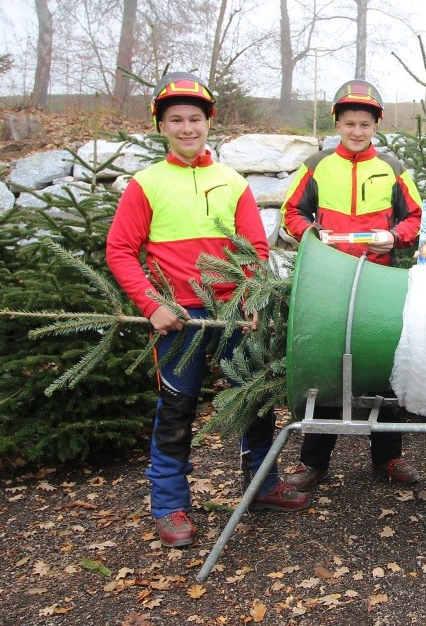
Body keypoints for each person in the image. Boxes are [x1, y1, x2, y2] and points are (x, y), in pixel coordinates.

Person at [106, 71, 310, 548]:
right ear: (161, 126)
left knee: (253, 400)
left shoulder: (231, 182)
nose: (186, 128)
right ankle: (169, 505)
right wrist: (152, 305)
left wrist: (251, 299)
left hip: (233, 314)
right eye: (176, 120)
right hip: (178, 319)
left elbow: (254, 249)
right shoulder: (146, 184)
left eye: (194, 118)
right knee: (177, 409)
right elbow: (120, 251)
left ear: (208, 122)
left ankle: (262, 485)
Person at [280, 79, 424, 491]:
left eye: (364, 124)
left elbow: (416, 218)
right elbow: (291, 213)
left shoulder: (393, 168)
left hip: (381, 282)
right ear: (337, 124)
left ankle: (388, 456)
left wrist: (394, 237)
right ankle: (314, 461)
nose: (357, 131)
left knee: (384, 361)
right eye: (349, 123)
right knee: (328, 363)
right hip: (328, 282)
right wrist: (312, 235)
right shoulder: (316, 165)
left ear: (376, 125)